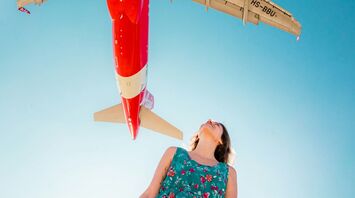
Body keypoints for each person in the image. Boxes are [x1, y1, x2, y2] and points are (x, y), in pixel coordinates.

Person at [140, 119, 238, 198]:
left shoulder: (228, 172)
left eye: (216, 124)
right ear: (198, 134)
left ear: (222, 140)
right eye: (205, 122)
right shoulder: (174, 153)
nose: (209, 121)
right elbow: (150, 193)